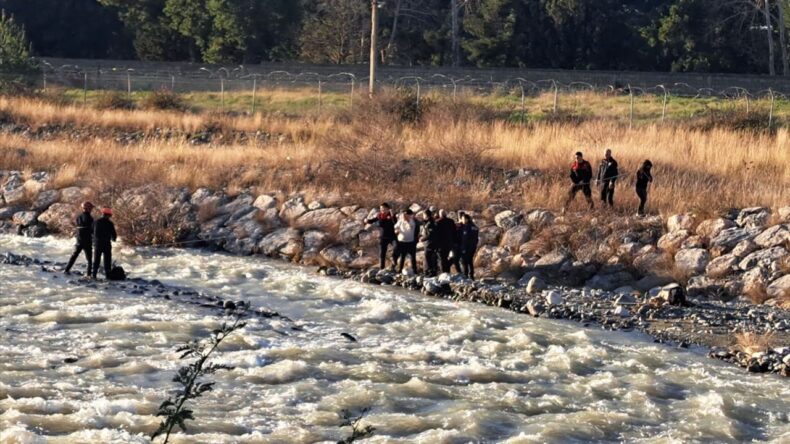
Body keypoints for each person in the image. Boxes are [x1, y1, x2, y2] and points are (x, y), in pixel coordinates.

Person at [64, 201, 94, 275]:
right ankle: (89, 275)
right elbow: (92, 230)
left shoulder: (78, 217)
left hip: (79, 240)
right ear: (88, 208)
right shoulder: (90, 218)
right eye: (91, 208)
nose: (91, 209)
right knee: (89, 260)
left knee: (74, 256)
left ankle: (66, 270)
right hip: (87, 240)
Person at [366, 202, 396, 269]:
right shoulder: (379, 216)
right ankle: (381, 268)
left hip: (392, 236)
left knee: (396, 248)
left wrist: (392, 215)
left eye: (383, 209)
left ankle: (393, 263)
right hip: (383, 237)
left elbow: (395, 222)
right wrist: (367, 220)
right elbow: (372, 221)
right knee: (382, 254)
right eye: (381, 209)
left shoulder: (392, 215)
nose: (382, 210)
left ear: (388, 209)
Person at [92, 207, 117, 279]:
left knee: (96, 260)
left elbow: (92, 231)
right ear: (109, 215)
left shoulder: (96, 222)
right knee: (107, 261)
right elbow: (114, 235)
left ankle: (94, 275)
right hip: (106, 244)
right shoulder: (110, 223)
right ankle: (108, 276)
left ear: (102, 214)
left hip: (97, 244)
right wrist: (113, 239)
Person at [393, 209, 418, 274]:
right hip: (402, 242)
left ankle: (415, 270)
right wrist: (396, 230)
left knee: (413, 257)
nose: (404, 216)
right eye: (404, 214)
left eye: (406, 215)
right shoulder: (400, 221)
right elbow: (395, 226)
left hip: (410, 242)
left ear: (410, 215)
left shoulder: (412, 221)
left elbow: (410, 227)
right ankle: (399, 269)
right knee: (402, 256)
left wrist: (406, 220)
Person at [459, 213, 479, 280]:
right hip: (473, 247)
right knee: (470, 261)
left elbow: (465, 239)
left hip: (467, 247)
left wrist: (463, 248)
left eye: (462, 219)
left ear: (466, 219)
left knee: (464, 261)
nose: (461, 220)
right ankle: (471, 276)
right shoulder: (474, 226)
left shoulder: (467, 227)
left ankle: (466, 276)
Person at [420, 209, 440, 276]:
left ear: (426, 215)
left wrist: (422, 239)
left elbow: (430, 234)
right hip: (432, 243)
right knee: (430, 257)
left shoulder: (430, 223)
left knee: (428, 257)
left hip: (430, 243)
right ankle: (430, 271)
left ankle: (430, 272)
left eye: (423, 214)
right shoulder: (431, 222)